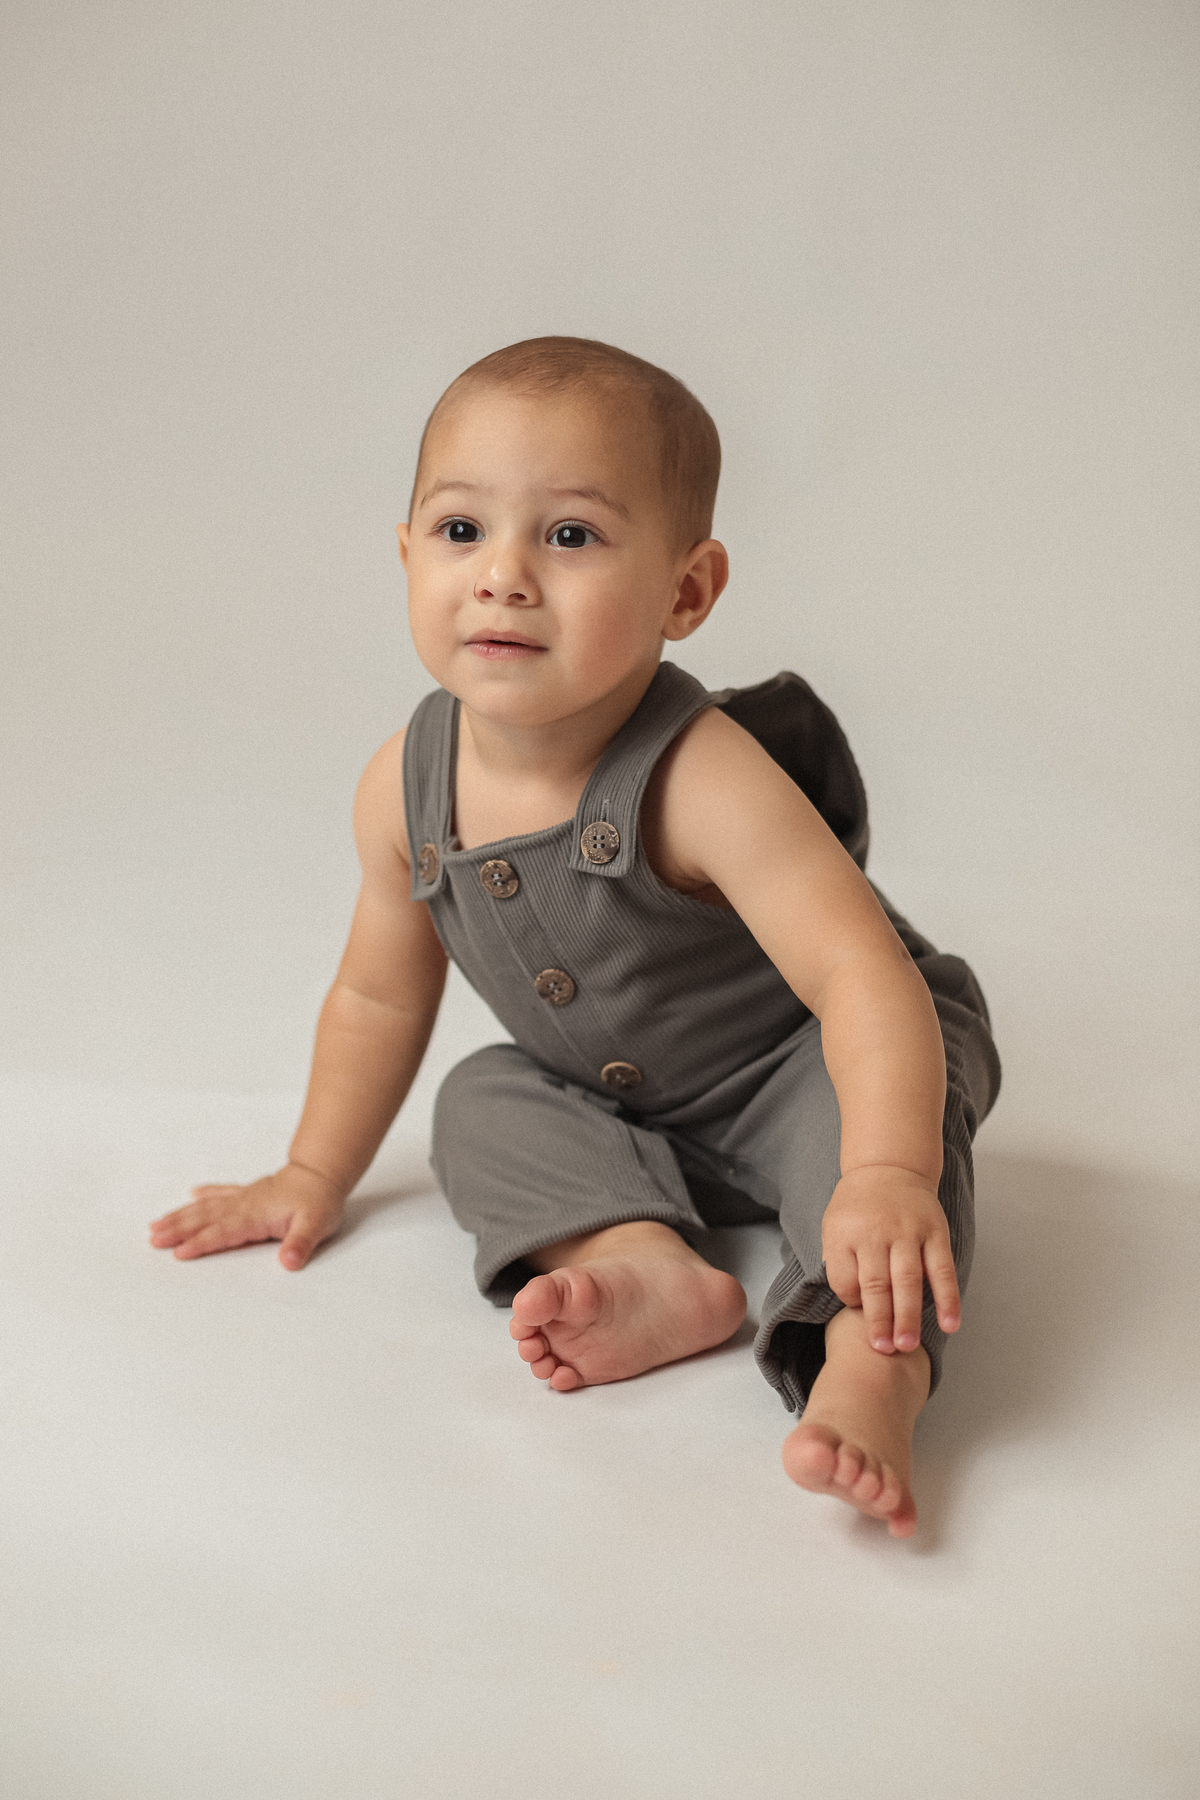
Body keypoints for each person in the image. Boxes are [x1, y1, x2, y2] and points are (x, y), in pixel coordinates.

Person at [150, 337, 1000, 1539]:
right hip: (620, 1102)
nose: (503, 576)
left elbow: (859, 975)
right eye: (461, 530)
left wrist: (890, 1174)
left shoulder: (703, 775)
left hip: (810, 1057)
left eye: (570, 535)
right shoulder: (405, 786)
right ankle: (647, 1257)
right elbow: (378, 999)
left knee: (877, 1179)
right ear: (406, 556)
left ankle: (867, 1368)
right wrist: (311, 1174)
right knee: (481, 1099)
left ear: (685, 593)